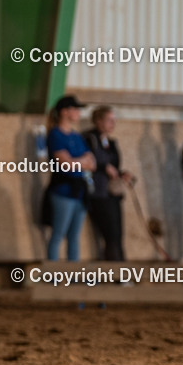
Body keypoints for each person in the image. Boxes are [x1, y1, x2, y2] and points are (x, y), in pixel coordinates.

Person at [45, 95, 96, 263]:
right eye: (75, 109)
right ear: (65, 112)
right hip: (63, 191)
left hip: (79, 191)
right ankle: (53, 275)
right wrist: (81, 162)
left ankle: (73, 276)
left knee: (74, 236)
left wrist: (78, 162)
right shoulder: (56, 135)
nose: (78, 113)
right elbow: (66, 164)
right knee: (59, 233)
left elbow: (91, 161)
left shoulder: (76, 136)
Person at [83, 106, 133, 262]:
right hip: (97, 192)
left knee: (117, 234)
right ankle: (116, 272)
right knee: (110, 234)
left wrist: (121, 173)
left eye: (114, 121)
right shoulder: (89, 139)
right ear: (98, 121)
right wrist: (104, 167)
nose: (112, 124)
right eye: (109, 120)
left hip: (112, 192)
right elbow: (88, 162)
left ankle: (121, 271)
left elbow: (114, 166)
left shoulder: (110, 142)